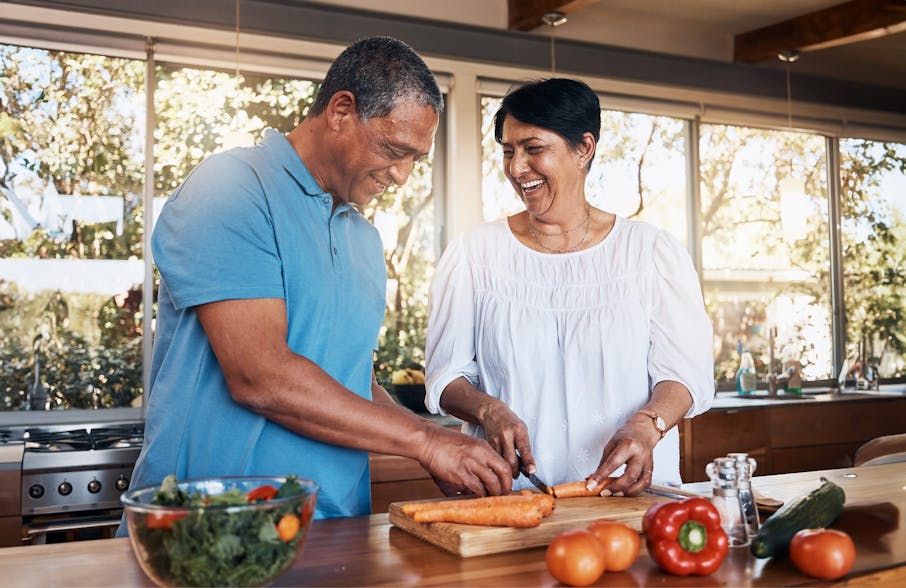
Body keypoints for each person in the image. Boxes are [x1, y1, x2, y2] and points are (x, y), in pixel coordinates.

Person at [123, 37, 512, 527]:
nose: (402, 176)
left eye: (415, 158)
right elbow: (259, 375)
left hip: (336, 529)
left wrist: (433, 445)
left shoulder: (364, 239)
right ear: (341, 111)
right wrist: (427, 441)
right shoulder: (231, 189)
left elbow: (352, 381)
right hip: (208, 530)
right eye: (395, 150)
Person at [425, 78, 714, 497]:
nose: (516, 168)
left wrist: (649, 424)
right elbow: (446, 376)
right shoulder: (474, 255)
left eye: (533, 149)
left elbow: (685, 374)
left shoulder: (651, 252)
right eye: (508, 151)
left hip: (628, 497)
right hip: (513, 499)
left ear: (584, 149)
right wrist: (489, 410)